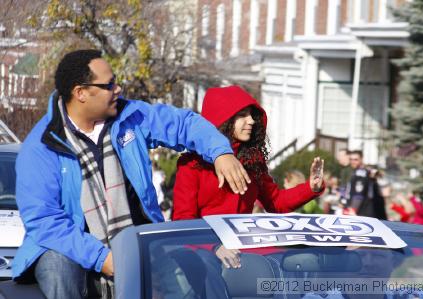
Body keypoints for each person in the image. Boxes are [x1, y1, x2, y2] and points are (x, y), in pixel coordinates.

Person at [12, 50, 251, 299]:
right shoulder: (40, 147)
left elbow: (185, 124)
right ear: (80, 93)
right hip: (74, 248)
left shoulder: (131, 117)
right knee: (57, 266)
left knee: (190, 273)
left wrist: (221, 153)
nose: (118, 90)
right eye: (109, 85)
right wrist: (102, 257)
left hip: (139, 242)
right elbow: (45, 222)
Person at [172, 85, 325, 268]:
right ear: (223, 119)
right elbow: (183, 221)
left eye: (252, 115)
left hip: (245, 249)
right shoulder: (190, 165)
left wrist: (311, 188)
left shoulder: (253, 160)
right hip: (205, 253)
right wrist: (213, 247)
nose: (251, 121)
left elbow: (276, 202)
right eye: (242, 115)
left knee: (305, 262)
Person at [344, 150, 387, 219]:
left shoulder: (360, 173)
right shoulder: (359, 172)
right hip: (364, 212)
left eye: (356, 159)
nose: (353, 162)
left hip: (362, 212)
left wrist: (353, 210)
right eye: (351, 159)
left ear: (361, 159)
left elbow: (358, 195)